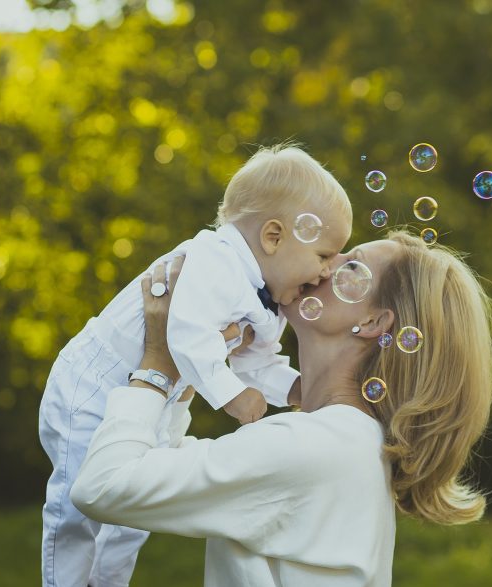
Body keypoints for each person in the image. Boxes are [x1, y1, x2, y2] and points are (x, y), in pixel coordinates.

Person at [71, 229, 492, 586]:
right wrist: (188, 371)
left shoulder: (314, 448)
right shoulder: (342, 442)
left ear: (372, 323)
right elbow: (154, 464)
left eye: (351, 265)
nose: (326, 265)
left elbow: (105, 485)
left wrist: (158, 365)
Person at [39, 144, 353, 587]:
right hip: (93, 382)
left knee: (133, 510)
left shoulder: (271, 301)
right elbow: (185, 332)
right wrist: (231, 395)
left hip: (155, 397)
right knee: (76, 502)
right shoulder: (215, 261)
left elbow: (257, 363)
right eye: (324, 255)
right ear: (274, 237)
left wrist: (298, 389)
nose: (326, 272)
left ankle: (106, 582)